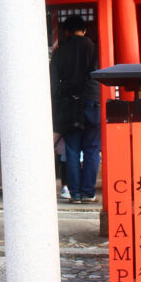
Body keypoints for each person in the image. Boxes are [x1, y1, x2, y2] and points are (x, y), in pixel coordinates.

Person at [50, 15, 100, 203]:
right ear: (85, 30)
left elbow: (54, 84)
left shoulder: (59, 52)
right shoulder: (94, 48)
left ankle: (75, 194)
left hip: (69, 103)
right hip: (92, 101)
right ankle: (88, 192)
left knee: (71, 149)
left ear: (67, 32)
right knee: (92, 149)